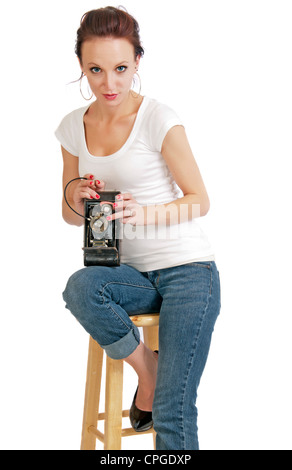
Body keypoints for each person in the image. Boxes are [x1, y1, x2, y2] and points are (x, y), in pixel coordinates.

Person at [55, 6, 221, 450]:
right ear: (81, 67)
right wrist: (76, 196)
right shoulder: (74, 127)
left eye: (121, 69)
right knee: (81, 288)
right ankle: (148, 372)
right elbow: (71, 215)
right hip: (131, 275)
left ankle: (158, 391)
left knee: (172, 408)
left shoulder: (159, 118)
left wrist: (141, 213)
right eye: (96, 70)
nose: (109, 83)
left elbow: (199, 200)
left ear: (137, 62)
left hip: (188, 272)